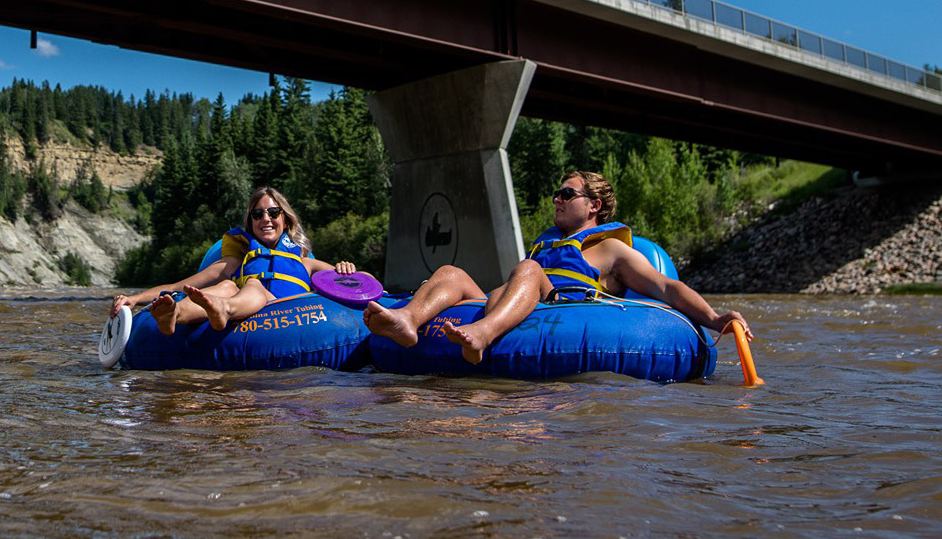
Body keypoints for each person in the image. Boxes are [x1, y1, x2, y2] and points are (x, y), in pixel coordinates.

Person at [363, 169, 750, 365]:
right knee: (450, 273)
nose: (557, 200)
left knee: (529, 271)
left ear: (594, 205)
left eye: (567, 194)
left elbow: (666, 288)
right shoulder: (545, 243)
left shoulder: (611, 251)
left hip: (562, 308)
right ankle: (407, 321)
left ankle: (481, 335)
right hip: (510, 303)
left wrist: (715, 319)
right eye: (556, 194)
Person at [109, 186, 356, 333]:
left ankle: (222, 309)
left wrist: (346, 269)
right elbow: (178, 286)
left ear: (286, 219)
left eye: (273, 212)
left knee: (254, 286)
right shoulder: (236, 262)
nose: (266, 219)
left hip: (287, 313)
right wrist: (134, 299)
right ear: (251, 224)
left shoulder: (306, 263)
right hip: (243, 305)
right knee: (227, 285)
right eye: (258, 214)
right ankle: (175, 315)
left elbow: (358, 284)